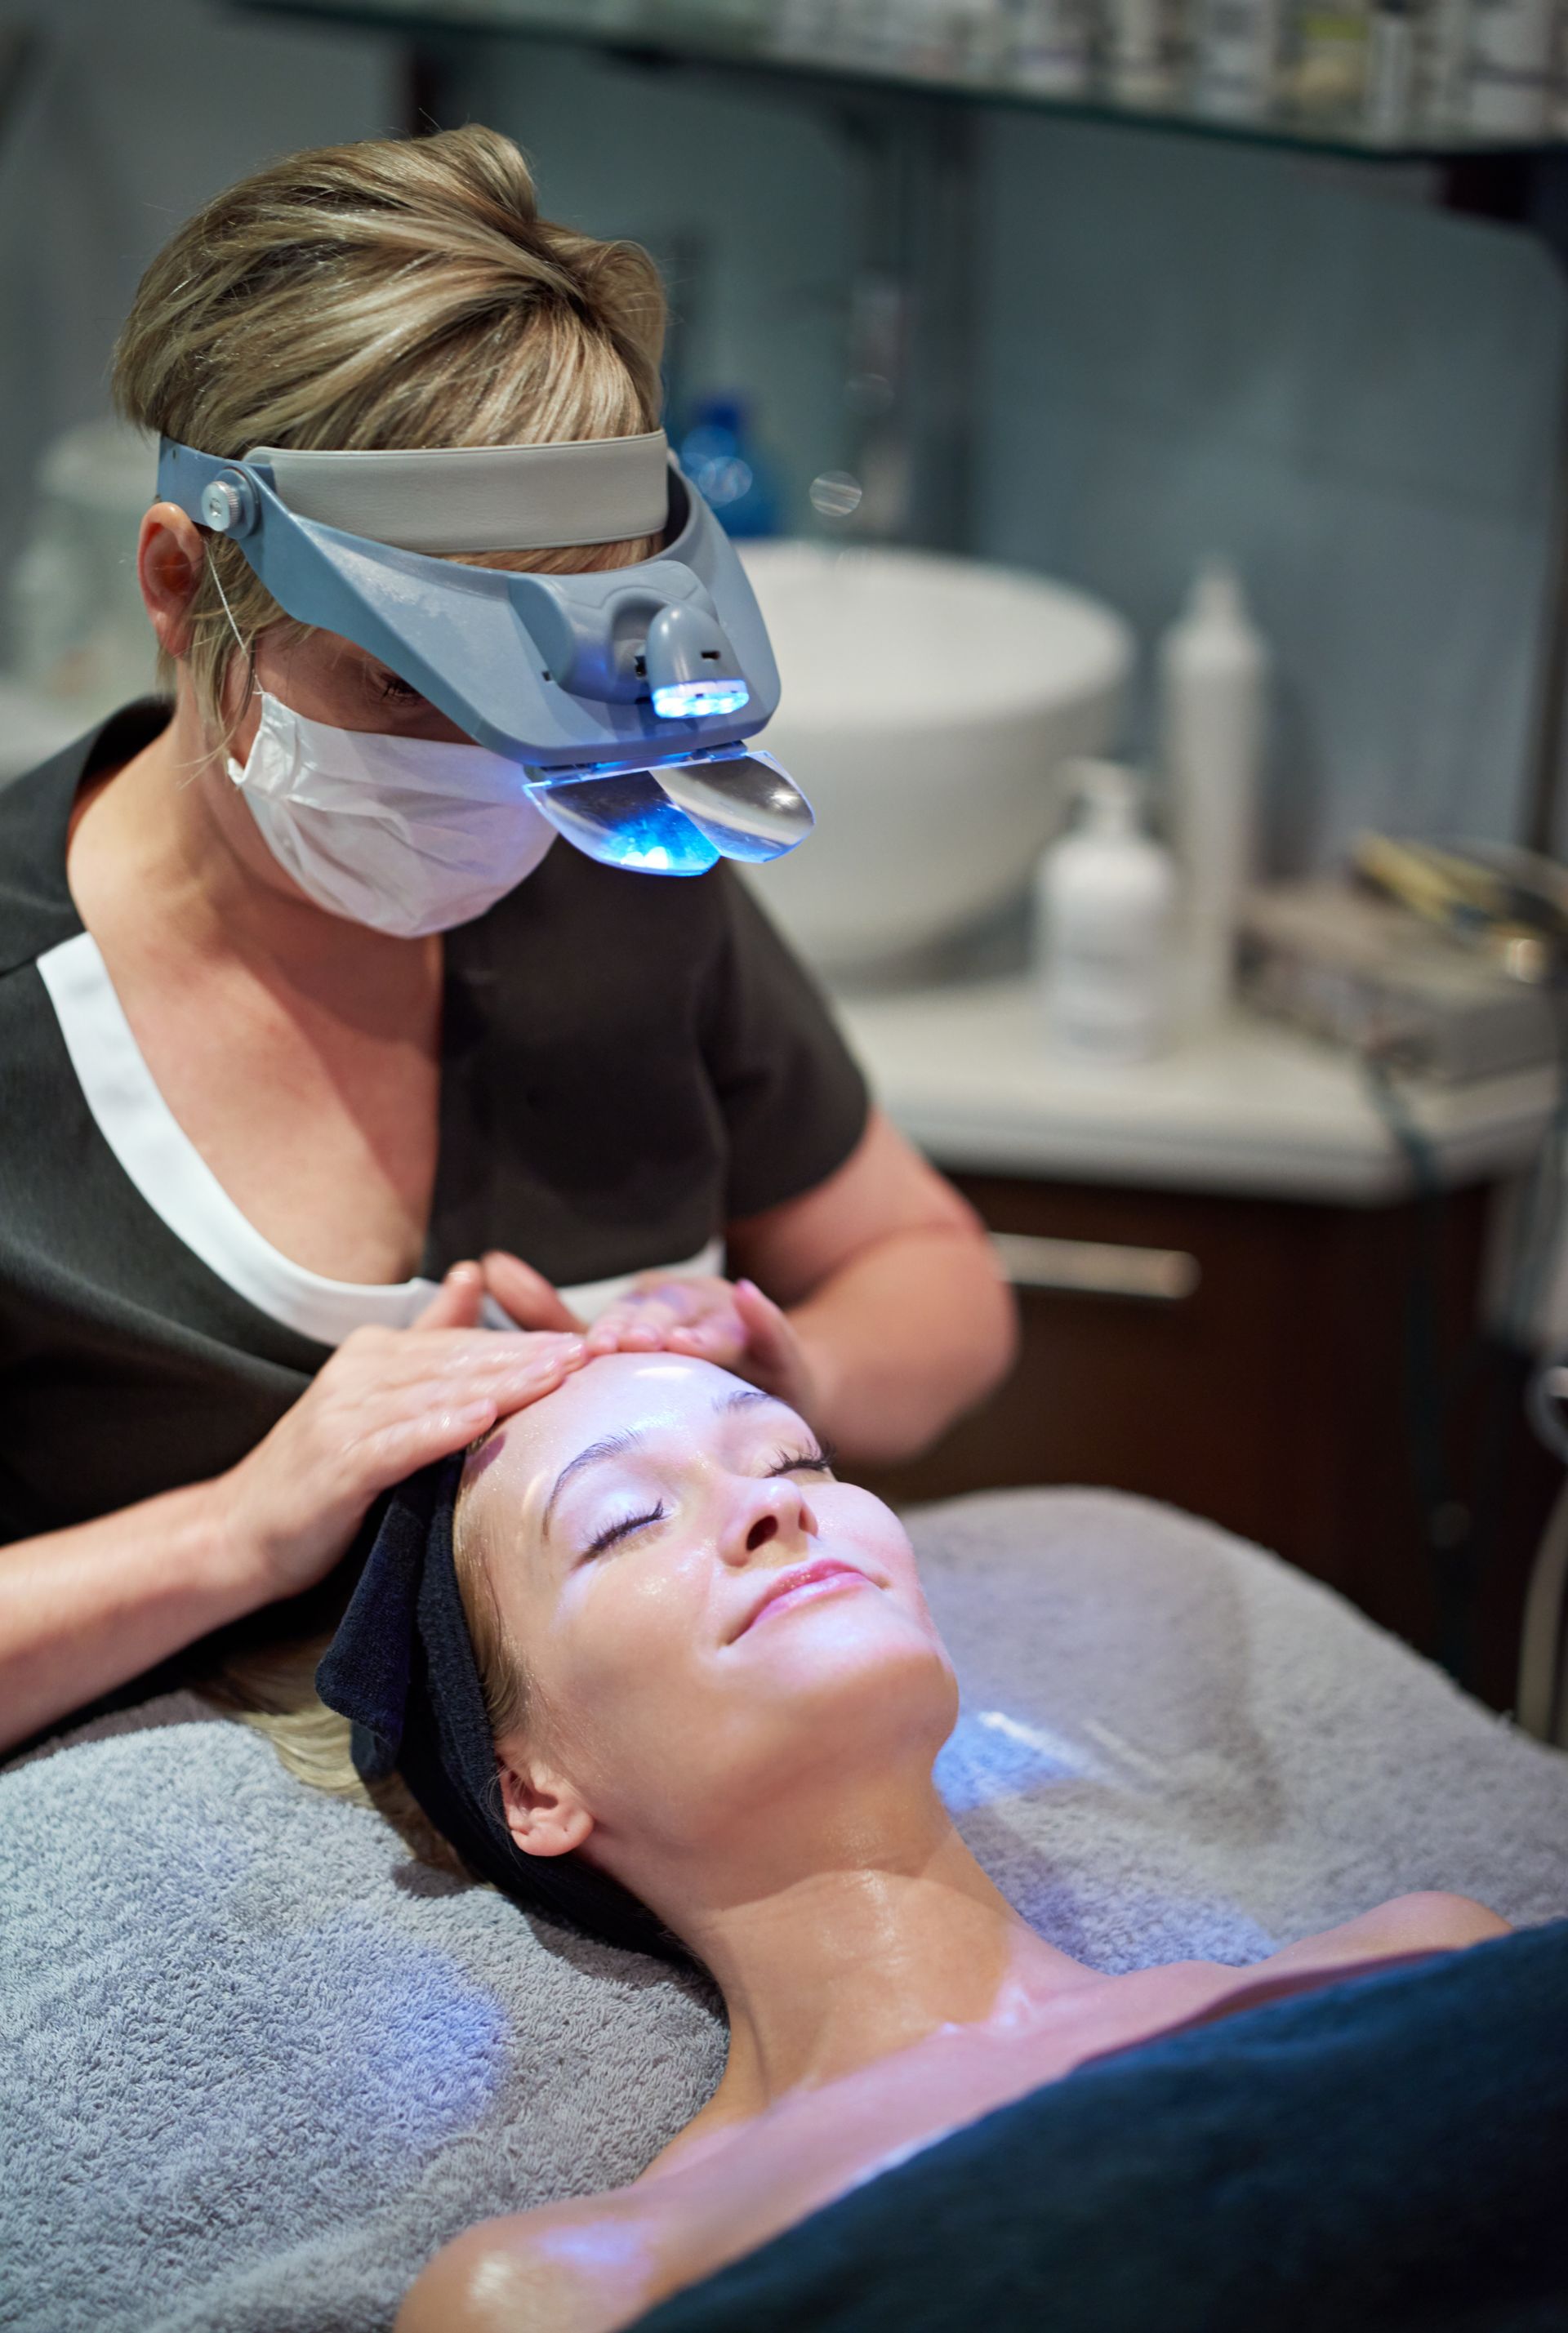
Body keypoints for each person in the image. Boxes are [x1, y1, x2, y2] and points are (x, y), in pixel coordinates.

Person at [0, 127, 1015, 1756]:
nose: (491, 777)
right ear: (187, 587)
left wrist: (792, 1363)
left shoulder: (616, 864)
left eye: (539, 696)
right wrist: (243, 1531)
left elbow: (936, 1276)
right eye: (408, 685)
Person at [293, 1349, 1508, 2333]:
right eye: (626, 1520)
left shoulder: (1424, 1967)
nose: (773, 1501)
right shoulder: (573, 2288)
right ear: (532, 1785)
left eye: (792, 1456)